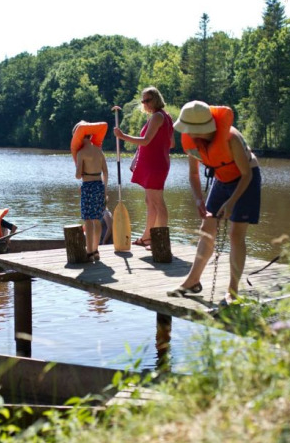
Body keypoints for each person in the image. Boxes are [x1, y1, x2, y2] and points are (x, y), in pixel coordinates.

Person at [167, 101, 261, 305]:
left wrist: (231, 202)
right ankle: (192, 282)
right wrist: (199, 199)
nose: (187, 133)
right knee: (207, 227)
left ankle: (232, 292)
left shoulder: (231, 139)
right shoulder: (192, 142)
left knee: (236, 234)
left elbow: (246, 175)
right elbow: (193, 174)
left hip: (246, 179)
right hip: (222, 179)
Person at [113, 86, 174, 249]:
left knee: (158, 202)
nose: (144, 103)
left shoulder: (158, 117)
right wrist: (136, 158)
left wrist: (123, 136)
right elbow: (170, 142)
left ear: (155, 99)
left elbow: (146, 140)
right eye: (143, 100)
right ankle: (148, 237)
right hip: (155, 163)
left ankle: (160, 240)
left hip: (156, 164)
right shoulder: (164, 117)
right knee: (150, 201)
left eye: (147, 100)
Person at [73, 121, 109, 261]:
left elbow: (77, 175)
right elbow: (105, 172)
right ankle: (96, 250)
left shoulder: (82, 153)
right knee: (97, 220)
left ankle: (89, 252)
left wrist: (80, 170)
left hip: (88, 187)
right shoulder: (99, 151)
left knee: (88, 220)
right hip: (99, 185)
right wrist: (105, 190)